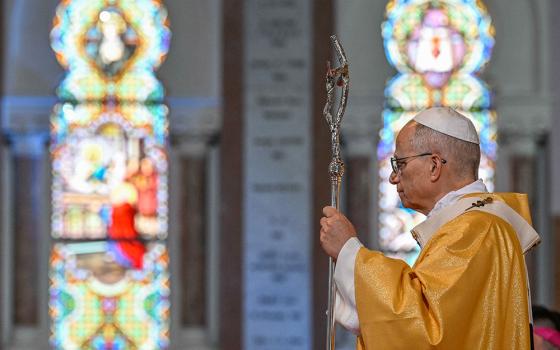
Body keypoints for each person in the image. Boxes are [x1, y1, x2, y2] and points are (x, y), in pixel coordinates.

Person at [319, 106, 541, 349]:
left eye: (400, 163)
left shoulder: (476, 229)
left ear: (435, 165)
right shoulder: (475, 225)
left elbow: (422, 329)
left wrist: (349, 251)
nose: (394, 177)